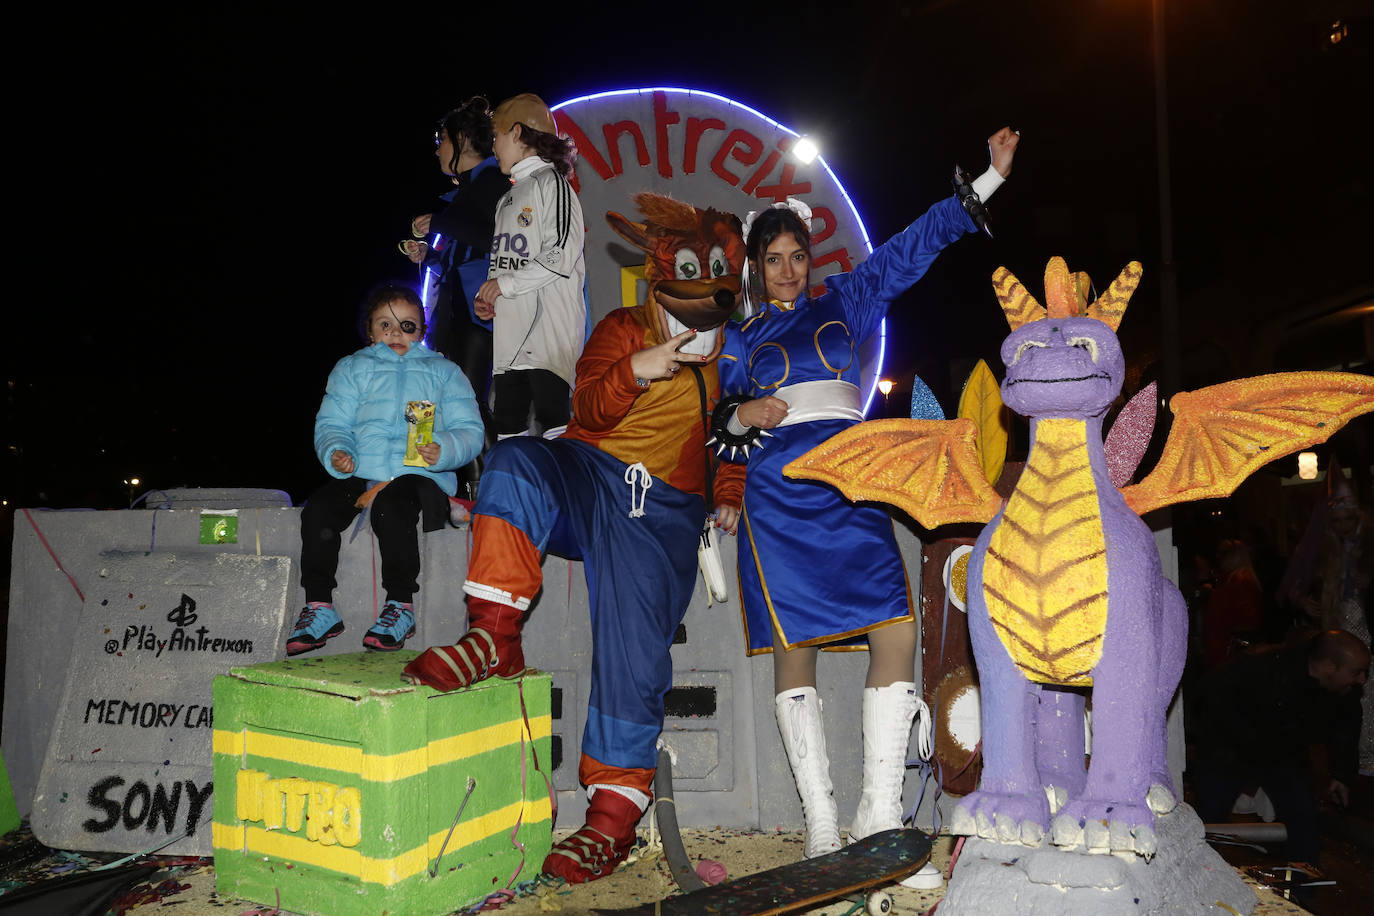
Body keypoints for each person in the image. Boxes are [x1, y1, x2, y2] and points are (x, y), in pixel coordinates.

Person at [402, 191, 747, 885]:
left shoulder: (731, 354)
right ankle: (494, 639)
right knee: (515, 463)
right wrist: (634, 370)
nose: (706, 281)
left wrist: (729, 492)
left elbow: (731, 436)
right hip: (590, 471)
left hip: (663, 505)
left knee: (632, 635)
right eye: (691, 265)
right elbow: (586, 403)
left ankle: (614, 814)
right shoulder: (624, 325)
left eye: (717, 269)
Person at [711, 127, 1019, 860]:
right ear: (757, 267)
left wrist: (990, 181)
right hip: (779, 497)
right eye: (774, 261)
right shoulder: (740, 339)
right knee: (797, 653)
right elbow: (713, 420)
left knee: (897, 632)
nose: (787, 270)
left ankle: (876, 812)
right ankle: (820, 824)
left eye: (796, 258)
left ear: (811, 260)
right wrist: (741, 412)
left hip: (853, 485)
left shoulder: (847, 300)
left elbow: (913, 247)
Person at [286, 283, 485, 656]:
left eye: (408, 326)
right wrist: (337, 452)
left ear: (422, 331)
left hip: (422, 477)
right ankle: (319, 606)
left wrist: (443, 451)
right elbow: (332, 423)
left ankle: (400, 605)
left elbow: (470, 430)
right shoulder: (351, 368)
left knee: (392, 505)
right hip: (365, 471)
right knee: (318, 510)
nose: (396, 333)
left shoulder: (444, 371)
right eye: (386, 325)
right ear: (370, 330)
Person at [1194, 629, 1369, 866]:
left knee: (1304, 820)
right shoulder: (1258, 669)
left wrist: (1341, 773)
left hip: (1284, 753)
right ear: (1329, 666)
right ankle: (1192, 880)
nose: (1362, 680)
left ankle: (1301, 887)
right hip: (1228, 748)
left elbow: (1345, 728)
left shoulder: (1346, 691)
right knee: (1207, 823)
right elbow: (1209, 701)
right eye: (1356, 672)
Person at [473, 93, 586, 439]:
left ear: (518, 133)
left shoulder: (554, 184)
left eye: (496, 137)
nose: (492, 147)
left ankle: (567, 491)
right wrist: (491, 296)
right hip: (510, 337)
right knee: (508, 425)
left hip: (548, 335)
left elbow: (562, 252)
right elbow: (505, 264)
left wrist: (504, 285)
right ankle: (519, 493)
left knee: (556, 420)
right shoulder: (506, 198)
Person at [1201, 538, 1264, 669]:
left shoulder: (1240, 580)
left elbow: (1246, 622)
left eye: (1224, 553)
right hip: (1224, 651)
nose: (1218, 557)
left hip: (1228, 654)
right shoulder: (1232, 579)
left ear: (1234, 555)